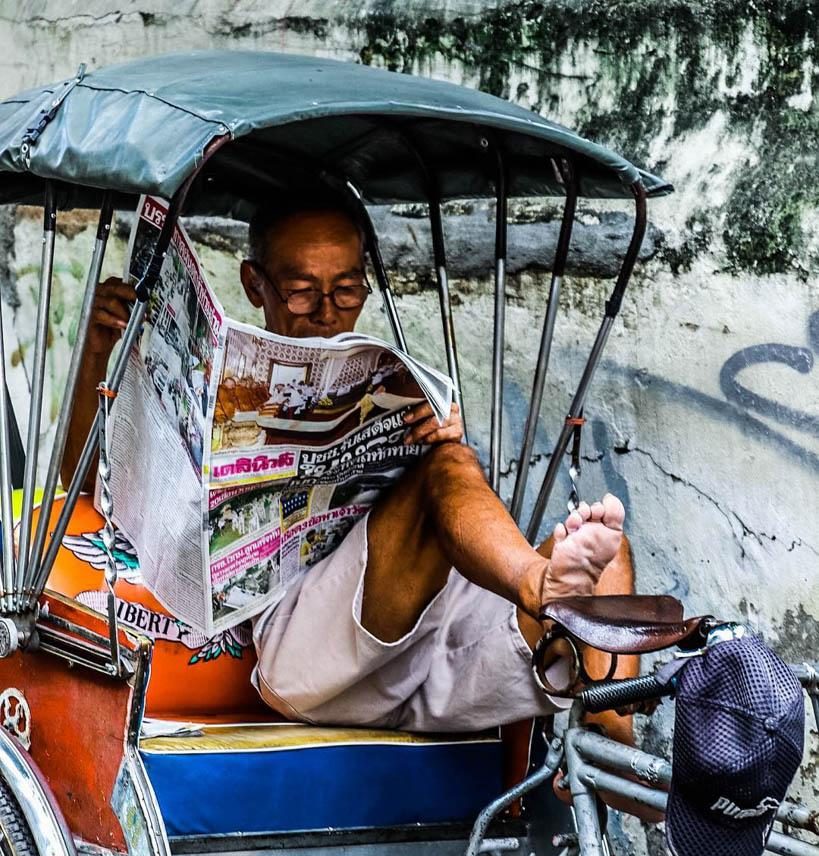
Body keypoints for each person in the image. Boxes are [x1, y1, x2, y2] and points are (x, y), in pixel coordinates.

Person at [62, 190, 640, 747]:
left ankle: (613, 725)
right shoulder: (214, 393)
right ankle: (543, 590)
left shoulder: (383, 382)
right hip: (314, 658)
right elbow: (87, 484)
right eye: (300, 292)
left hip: (435, 648)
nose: (326, 312)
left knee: (607, 551)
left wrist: (440, 435)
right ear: (254, 285)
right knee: (445, 470)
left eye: (346, 290)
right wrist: (96, 348)